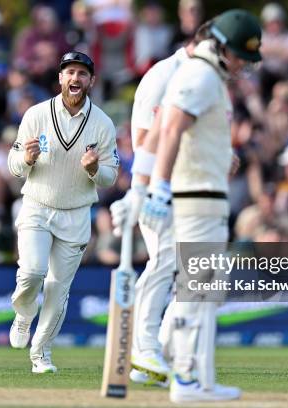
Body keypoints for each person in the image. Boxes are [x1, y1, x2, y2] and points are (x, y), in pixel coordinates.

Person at [140, 9, 262, 403]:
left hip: (206, 198)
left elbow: (166, 128)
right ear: (223, 46)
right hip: (196, 200)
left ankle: (199, 380)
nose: (243, 66)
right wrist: (154, 186)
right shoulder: (199, 75)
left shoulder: (207, 75)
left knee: (207, 292)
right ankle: (185, 378)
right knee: (197, 290)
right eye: (241, 56)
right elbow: (169, 128)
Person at [109, 21, 210, 387]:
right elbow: (145, 138)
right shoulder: (163, 75)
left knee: (202, 276)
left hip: (197, 189)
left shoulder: (209, 79)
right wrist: (143, 189)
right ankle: (144, 346)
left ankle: (163, 356)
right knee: (166, 260)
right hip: (160, 188)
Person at [7, 51, 118, 373]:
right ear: (60, 78)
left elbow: (111, 177)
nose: (75, 79)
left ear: (91, 81)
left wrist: (96, 169)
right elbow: (13, 167)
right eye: (70, 72)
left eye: (82, 74)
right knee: (31, 274)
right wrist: (25, 160)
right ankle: (24, 313)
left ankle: (41, 354)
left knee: (58, 289)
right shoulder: (36, 115)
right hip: (37, 207)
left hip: (76, 213)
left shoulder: (102, 123)